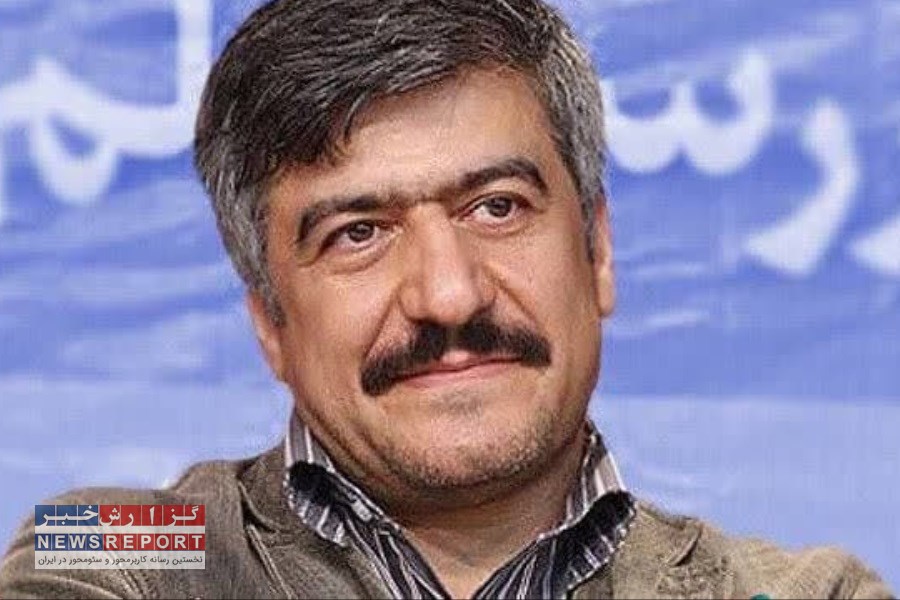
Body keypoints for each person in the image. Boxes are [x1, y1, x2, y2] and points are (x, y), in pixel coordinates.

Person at [0, 0, 892, 598]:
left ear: (599, 252)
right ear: (270, 321)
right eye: (358, 233)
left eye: (497, 208)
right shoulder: (125, 545)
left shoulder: (797, 593)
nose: (450, 293)